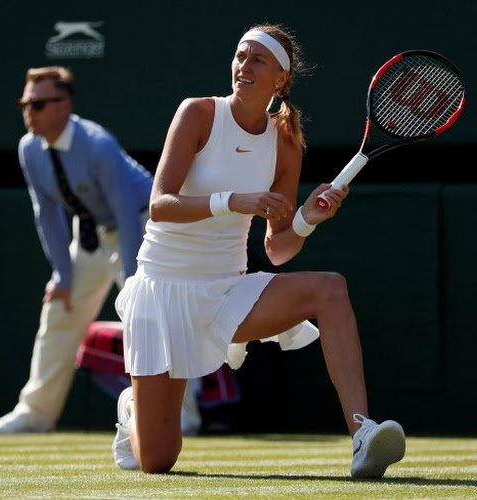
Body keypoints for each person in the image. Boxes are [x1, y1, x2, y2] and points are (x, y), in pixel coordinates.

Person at [110, 25, 406, 477]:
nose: (243, 66)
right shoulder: (198, 113)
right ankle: (133, 407)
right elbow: (159, 206)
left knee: (330, 289)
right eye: (240, 56)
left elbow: (279, 248)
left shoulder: (285, 142)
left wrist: (308, 217)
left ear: (280, 80)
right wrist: (233, 200)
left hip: (227, 291)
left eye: (257, 60)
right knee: (158, 460)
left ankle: (362, 434)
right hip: (162, 292)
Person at [0, 66, 202, 436]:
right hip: (90, 234)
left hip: (144, 227)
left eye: (37, 104)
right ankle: (36, 413)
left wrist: (135, 281)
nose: (28, 112)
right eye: (25, 103)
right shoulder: (29, 148)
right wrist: (62, 276)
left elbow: (126, 216)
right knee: (59, 309)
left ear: (64, 106)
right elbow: (47, 213)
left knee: (154, 318)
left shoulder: (97, 145)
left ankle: (184, 418)